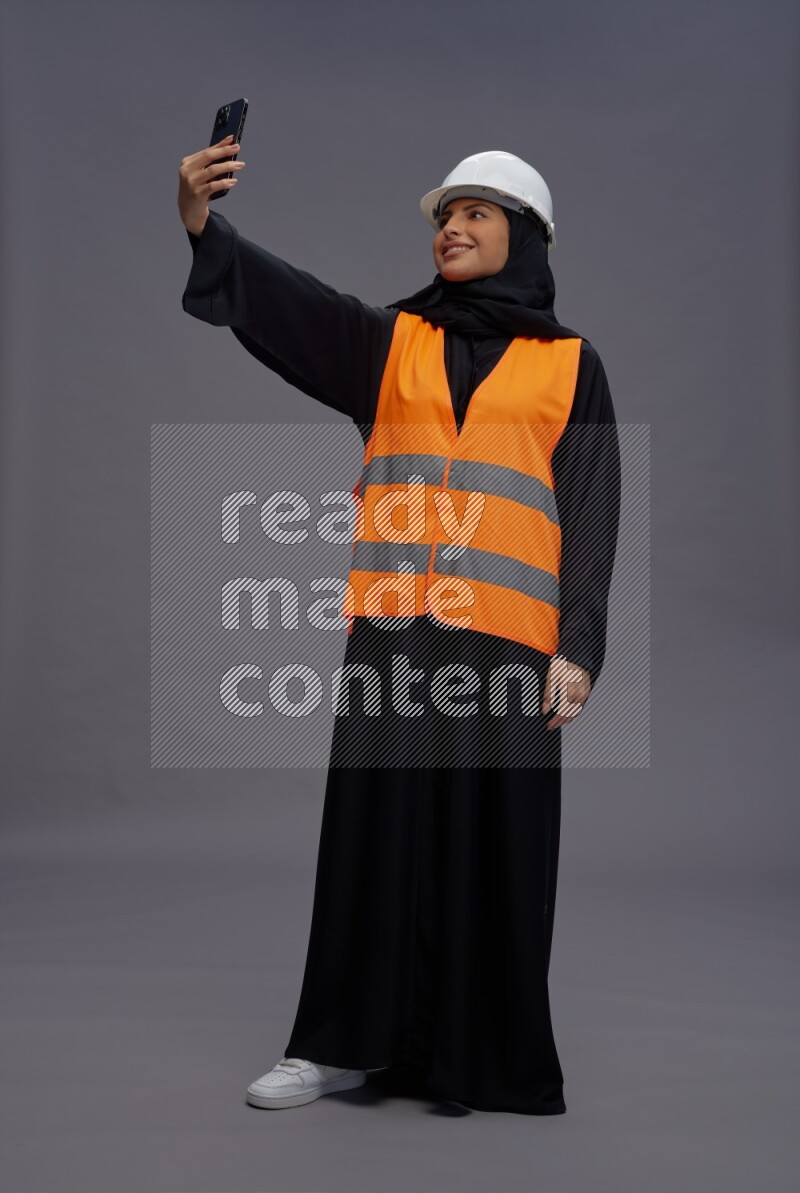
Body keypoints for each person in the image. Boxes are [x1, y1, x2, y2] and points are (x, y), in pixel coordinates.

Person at [178, 141, 622, 1114]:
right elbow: (291, 309)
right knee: (373, 833)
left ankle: (481, 1053)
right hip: (396, 634)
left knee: (491, 843)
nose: (451, 228)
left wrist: (577, 645)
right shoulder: (392, 343)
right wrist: (205, 226)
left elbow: (588, 508)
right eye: (443, 215)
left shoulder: (567, 365)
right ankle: (336, 1043)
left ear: (524, 238)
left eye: (476, 214)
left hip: (507, 641)